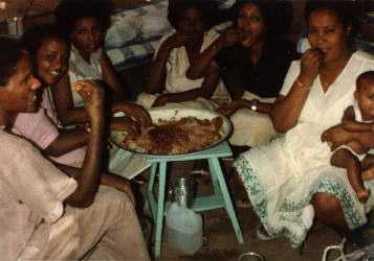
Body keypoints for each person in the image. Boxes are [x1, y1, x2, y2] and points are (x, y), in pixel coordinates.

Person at [234, 1, 374, 247]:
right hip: (298, 151)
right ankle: (297, 213)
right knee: (246, 169)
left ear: (347, 30)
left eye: (329, 31)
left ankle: (358, 238)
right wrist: (305, 78)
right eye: (313, 31)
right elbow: (281, 123)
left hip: (352, 159)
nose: (320, 40)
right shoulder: (299, 67)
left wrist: (351, 133)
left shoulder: (367, 68)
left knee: (325, 200)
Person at [0, 37, 150, 260]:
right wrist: (98, 121)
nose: (36, 83)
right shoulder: (13, 148)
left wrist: (104, 178)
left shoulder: (11, 143)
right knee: (116, 204)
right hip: (20, 251)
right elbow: (82, 197)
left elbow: (39, 170)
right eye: (25, 80)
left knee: (108, 202)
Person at [16, 25, 151, 180]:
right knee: (136, 150)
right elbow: (54, 146)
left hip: (79, 158)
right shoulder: (24, 98)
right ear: (30, 57)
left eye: (64, 58)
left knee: (141, 146)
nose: (59, 65)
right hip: (61, 172)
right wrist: (104, 126)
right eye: (50, 57)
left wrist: (94, 127)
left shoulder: (43, 88)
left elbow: (53, 131)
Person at [187, 0, 296, 147]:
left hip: (273, 113)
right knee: (200, 114)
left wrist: (243, 104)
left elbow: (285, 108)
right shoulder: (232, 48)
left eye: (255, 19)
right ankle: (204, 165)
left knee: (252, 123)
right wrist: (219, 43)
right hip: (242, 109)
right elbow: (193, 73)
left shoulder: (283, 51)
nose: (245, 25)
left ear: (267, 24)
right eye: (242, 17)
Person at [137, 0, 230, 110]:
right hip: (174, 100)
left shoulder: (214, 41)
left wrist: (167, 99)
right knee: (143, 99)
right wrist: (166, 49)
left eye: (198, 20)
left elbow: (206, 91)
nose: (192, 26)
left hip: (207, 101)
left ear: (205, 21)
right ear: (176, 21)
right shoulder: (168, 40)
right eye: (186, 20)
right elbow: (151, 89)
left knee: (191, 107)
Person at [54, 0, 129, 126]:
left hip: (99, 118)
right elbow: (66, 117)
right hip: (74, 129)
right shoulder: (63, 60)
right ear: (70, 34)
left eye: (96, 29)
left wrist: (117, 108)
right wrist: (116, 108)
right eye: (82, 32)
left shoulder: (97, 52)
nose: (92, 37)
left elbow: (120, 94)